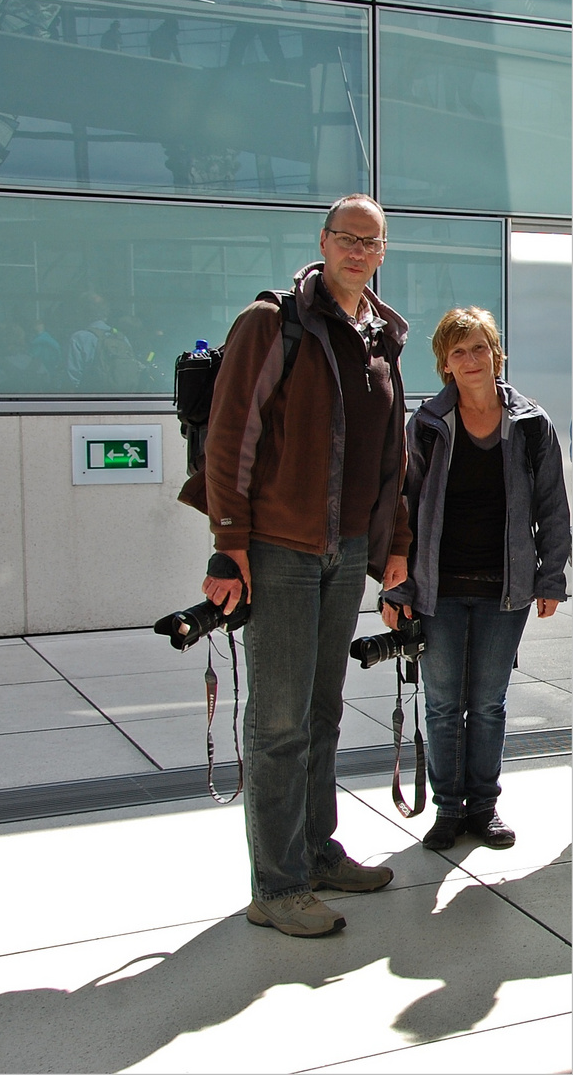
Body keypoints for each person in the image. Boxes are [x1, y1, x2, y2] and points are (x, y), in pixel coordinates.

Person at [195, 194, 412, 938]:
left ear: (383, 252)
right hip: (279, 549)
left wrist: (394, 548)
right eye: (345, 238)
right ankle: (277, 885)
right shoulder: (272, 322)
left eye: (370, 241)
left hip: (346, 549)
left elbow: (392, 458)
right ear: (322, 242)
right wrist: (229, 542)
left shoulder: (381, 336)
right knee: (279, 721)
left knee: (320, 714)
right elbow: (231, 436)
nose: (357, 250)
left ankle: (317, 852)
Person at [381, 307, 570, 852]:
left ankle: (484, 808)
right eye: (458, 351)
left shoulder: (530, 424)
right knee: (442, 705)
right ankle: (447, 811)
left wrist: (550, 577)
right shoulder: (427, 426)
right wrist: (397, 589)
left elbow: (553, 508)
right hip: (437, 589)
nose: (470, 360)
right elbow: (404, 510)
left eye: (479, 348)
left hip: (503, 589)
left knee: (487, 704)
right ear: (444, 362)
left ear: (496, 353)